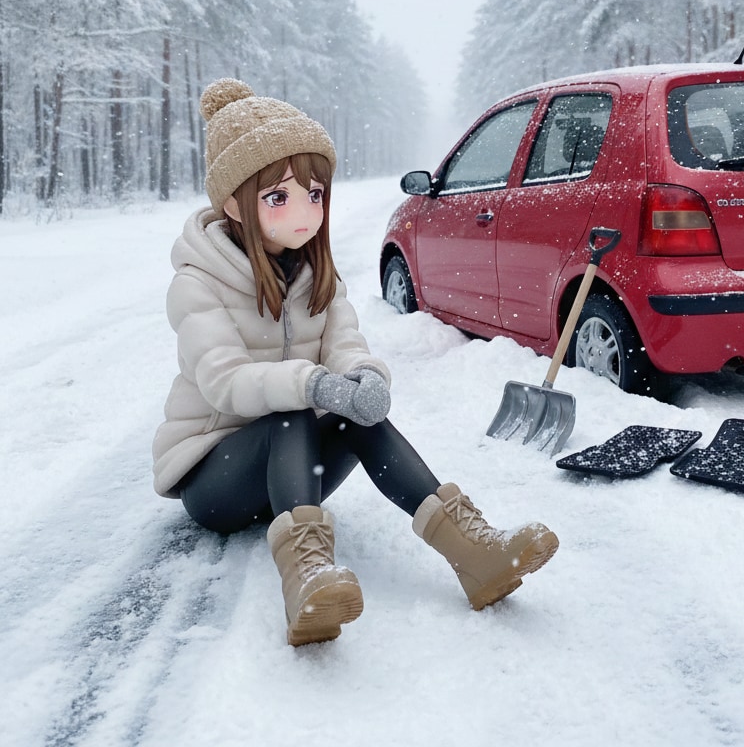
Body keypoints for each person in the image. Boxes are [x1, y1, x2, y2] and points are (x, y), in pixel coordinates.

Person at [153, 78, 559, 647]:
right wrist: (317, 384)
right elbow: (224, 382)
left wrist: (364, 379)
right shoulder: (198, 282)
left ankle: (476, 554)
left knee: (355, 415)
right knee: (293, 411)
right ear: (232, 204)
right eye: (279, 197)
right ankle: (308, 580)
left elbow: (345, 344)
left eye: (314, 194)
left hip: (293, 477)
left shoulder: (317, 272)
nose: (305, 211)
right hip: (216, 478)